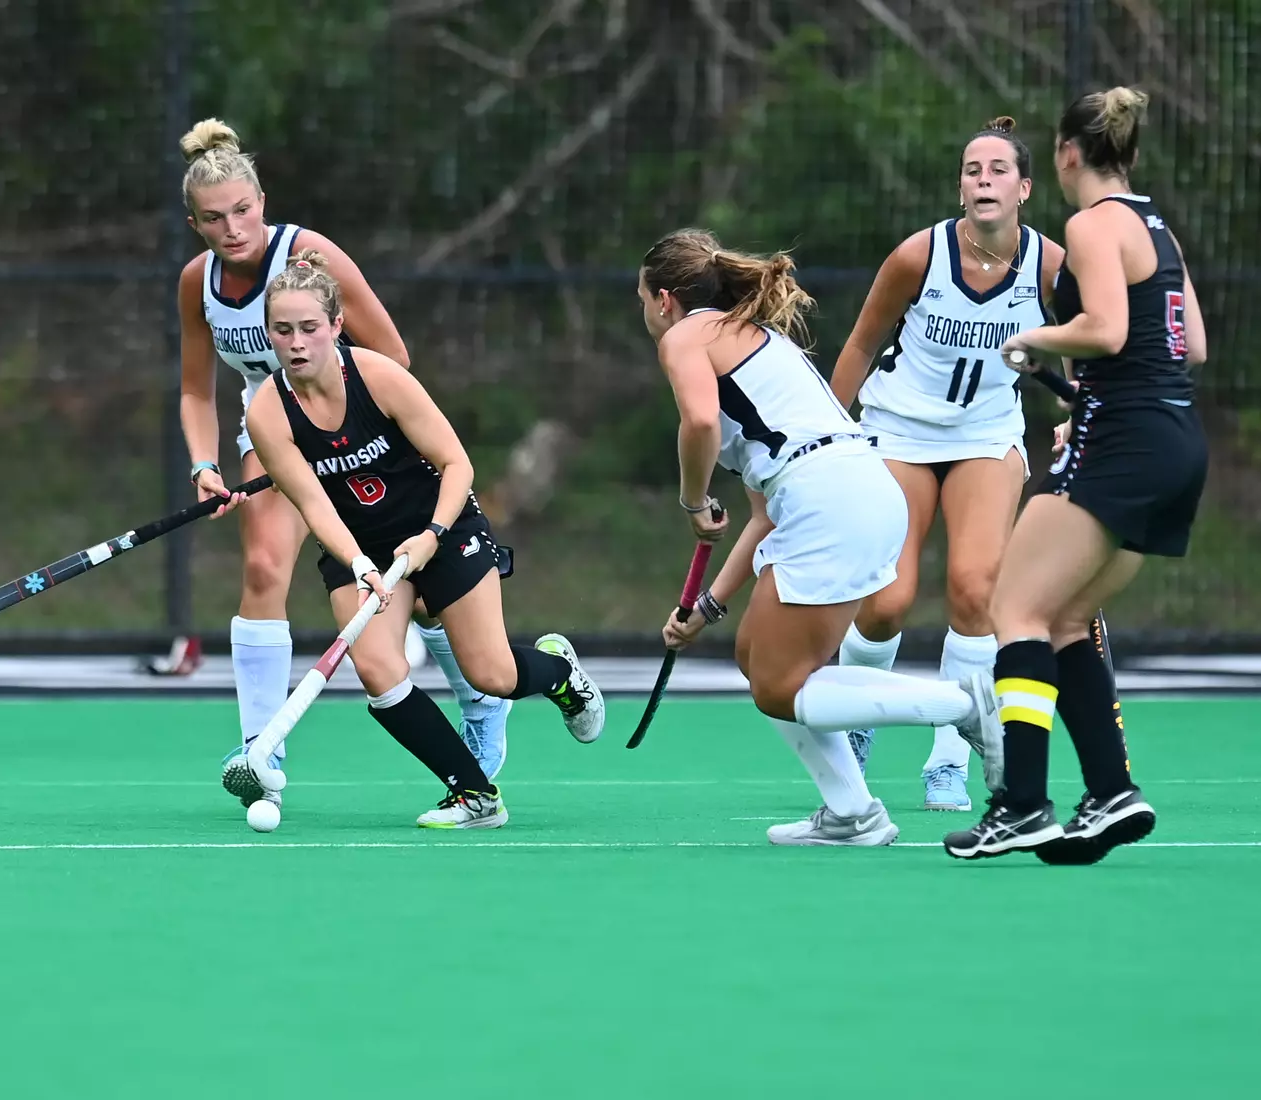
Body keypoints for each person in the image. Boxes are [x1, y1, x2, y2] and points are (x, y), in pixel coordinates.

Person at [173, 119, 513, 807]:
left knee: (425, 600)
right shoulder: (197, 282)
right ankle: (261, 748)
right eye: (213, 218)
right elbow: (194, 389)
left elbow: (394, 355)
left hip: (361, 430)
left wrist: (339, 438)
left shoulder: (310, 255)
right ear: (194, 224)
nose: (231, 229)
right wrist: (204, 464)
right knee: (263, 566)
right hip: (271, 433)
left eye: (242, 210)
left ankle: (481, 699)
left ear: (262, 203)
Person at [640, 228, 1000, 847]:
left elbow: (698, 423)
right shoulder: (751, 340)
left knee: (779, 685)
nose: (646, 313)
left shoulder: (686, 336)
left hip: (830, 498)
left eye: (643, 299)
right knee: (756, 659)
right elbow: (763, 517)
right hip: (852, 491)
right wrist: (707, 607)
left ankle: (962, 704)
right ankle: (853, 813)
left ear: (665, 299)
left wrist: (692, 500)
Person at [241, 251, 604, 826]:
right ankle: (475, 794)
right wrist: (357, 562)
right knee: (378, 671)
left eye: (310, 327)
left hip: (443, 522)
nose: (297, 343)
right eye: (282, 331)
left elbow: (457, 464)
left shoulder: (378, 377)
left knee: (492, 675)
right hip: (358, 542)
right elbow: (313, 505)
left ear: (336, 325)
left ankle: (560, 674)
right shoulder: (268, 413)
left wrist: (432, 534)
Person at [945, 88, 1205, 863]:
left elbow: (1107, 329)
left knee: (1013, 608)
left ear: (1064, 154)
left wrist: (1033, 339)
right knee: (1063, 619)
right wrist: (1092, 394)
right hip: (1174, 443)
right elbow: (1187, 345)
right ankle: (1110, 792)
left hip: (1122, 443)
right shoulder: (1154, 225)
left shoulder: (1091, 224)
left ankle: (1022, 804)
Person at [828, 117, 1064, 812]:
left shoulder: (1051, 265)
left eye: (997, 170)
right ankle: (857, 724)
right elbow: (860, 345)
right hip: (897, 430)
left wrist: (1080, 410)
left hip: (986, 435)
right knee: (886, 601)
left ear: (1023, 189)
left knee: (974, 588)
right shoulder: (917, 255)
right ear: (961, 188)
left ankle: (948, 761)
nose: (983, 180)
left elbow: (1092, 338)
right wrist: (825, 438)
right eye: (971, 170)